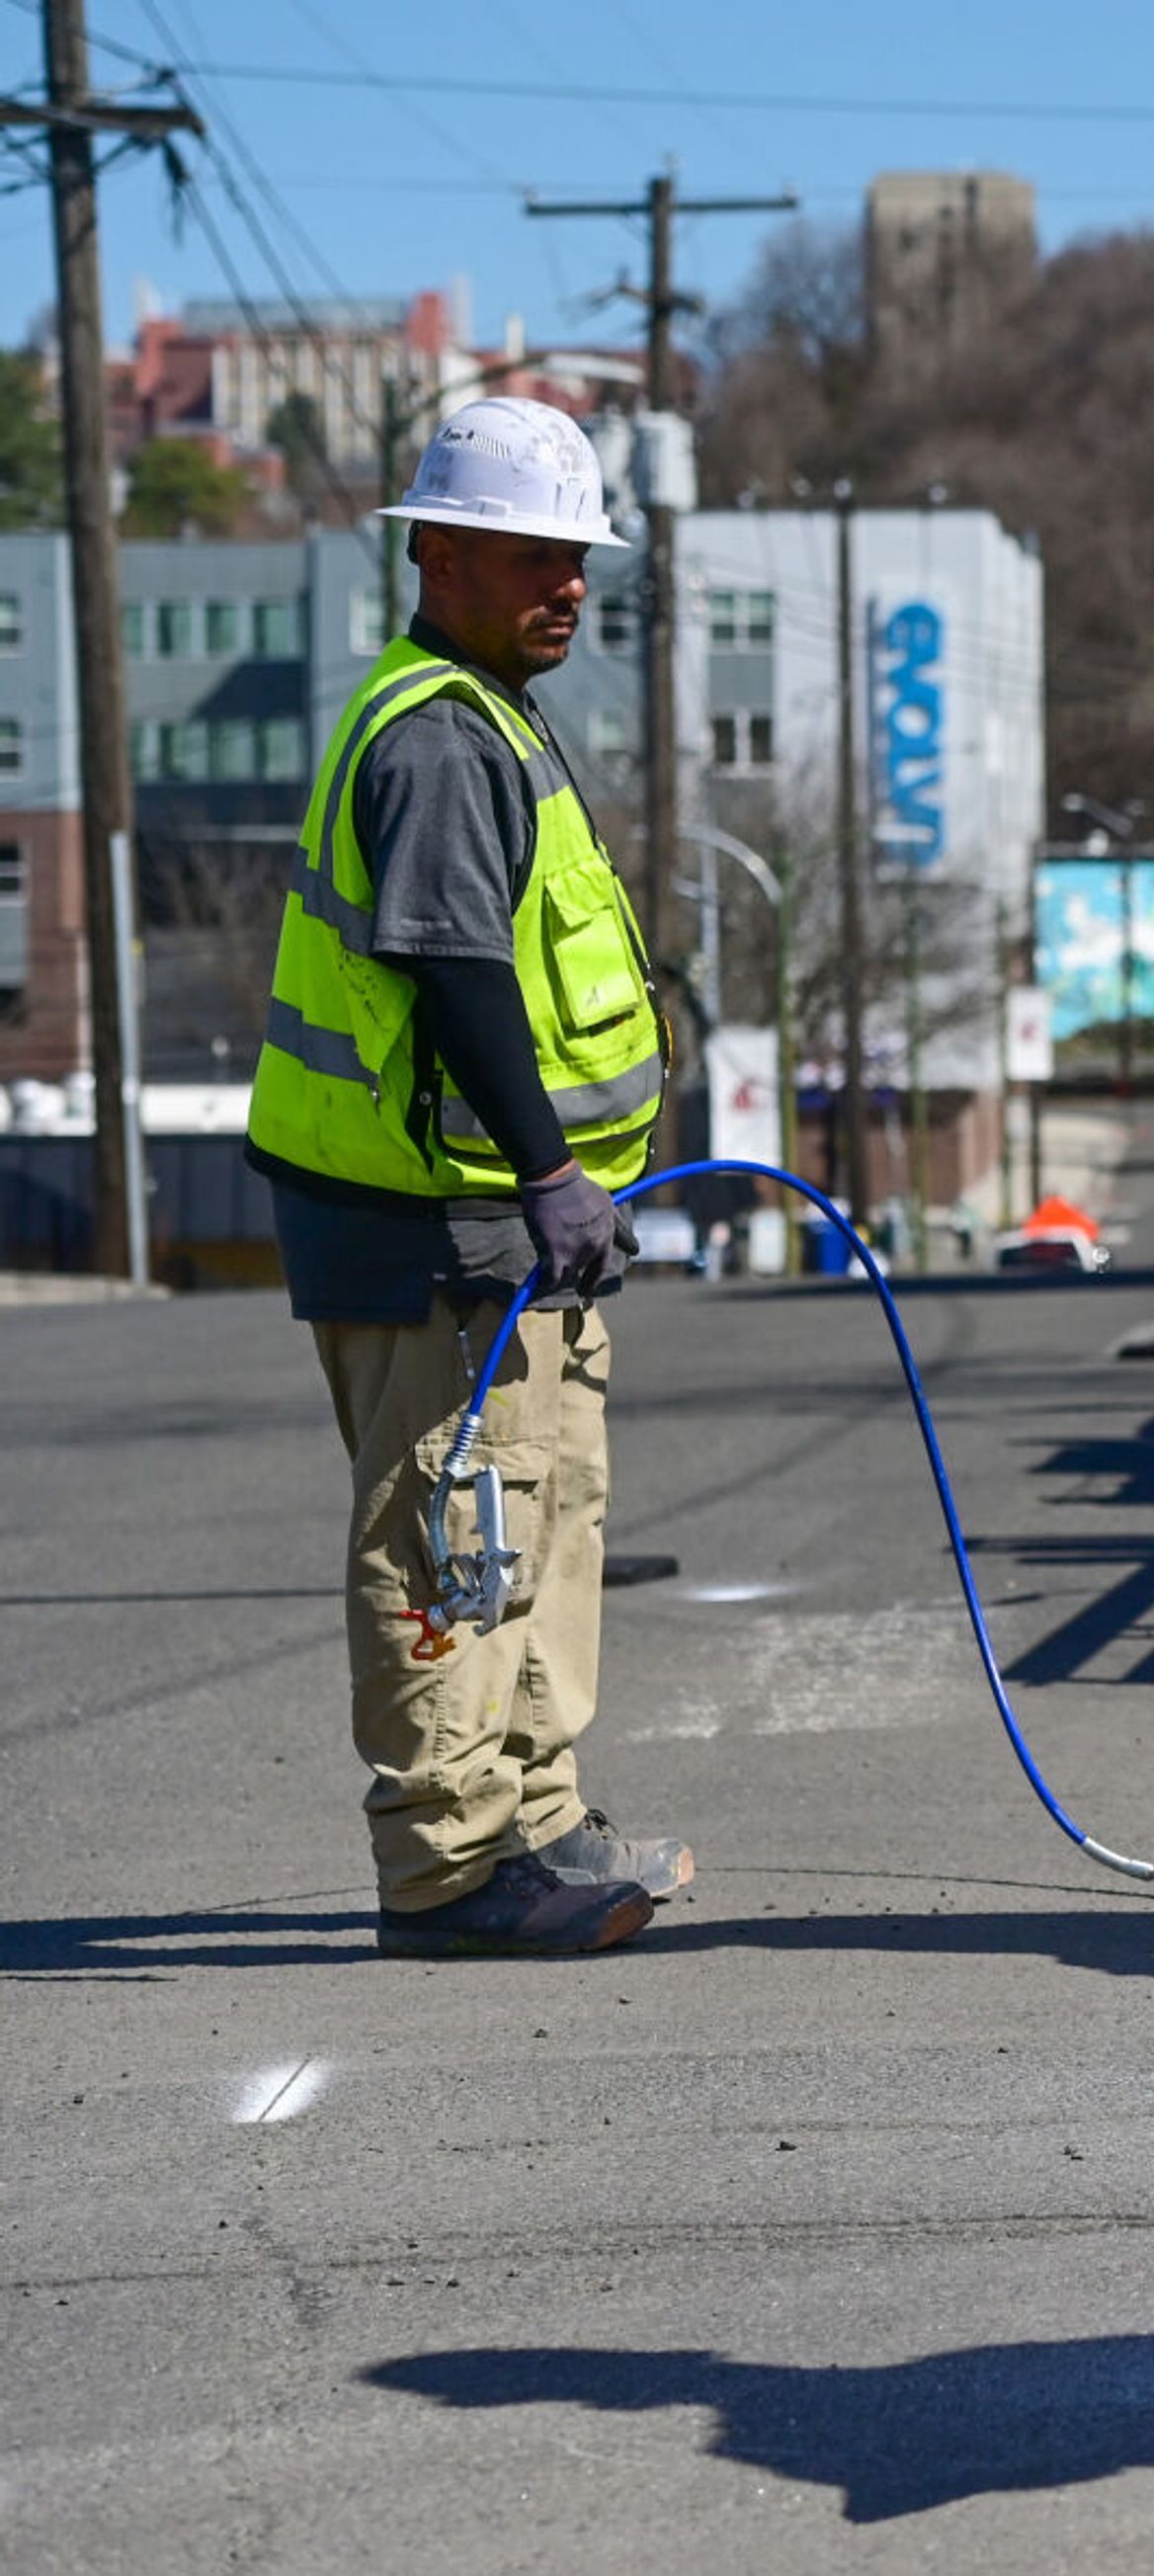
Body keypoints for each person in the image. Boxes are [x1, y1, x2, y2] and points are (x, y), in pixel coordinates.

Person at [247, 396, 688, 1960]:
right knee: (455, 1535)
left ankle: (539, 1815)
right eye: (529, 554)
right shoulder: (438, 735)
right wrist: (558, 1170)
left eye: (576, 557)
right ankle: (445, 1869)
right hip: (439, 1222)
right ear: (435, 550)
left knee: (547, 1512)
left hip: (516, 1225)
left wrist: (563, 1191)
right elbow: (452, 968)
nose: (565, 584)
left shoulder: (493, 706)